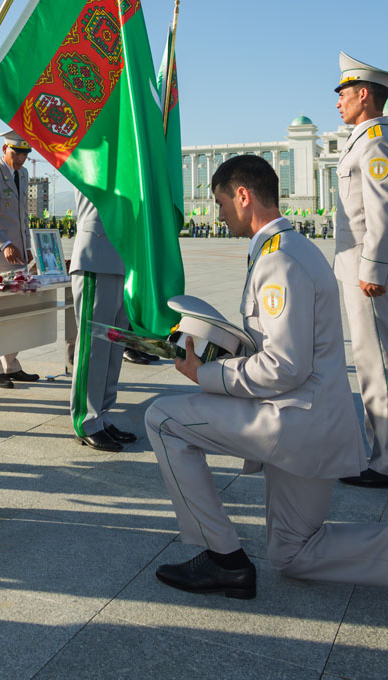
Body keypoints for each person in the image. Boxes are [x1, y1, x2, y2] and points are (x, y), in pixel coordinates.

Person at [146, 154, 388, 599]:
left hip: (293, 420)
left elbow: (284, 366)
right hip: (313, 422)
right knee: (296, 553)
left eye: (220, 203)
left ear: (243, 196)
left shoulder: (280, 260)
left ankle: (223, 559)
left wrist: (206, 373)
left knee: (162, 418)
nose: (217, 214)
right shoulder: (288, 248)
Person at [333, 52, 388, 488]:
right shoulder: (360, 138)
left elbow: (381, 212)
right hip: (355, 265)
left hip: (367, 271)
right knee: (370, 360)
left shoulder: (374, 141)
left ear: (364, 94)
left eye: (344, 94)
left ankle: (385, 462)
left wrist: (373, 269)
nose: (338, 103)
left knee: (376, 362)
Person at [70, 190, 137, 452]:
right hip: (96, 255)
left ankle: (102, 415)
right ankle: (86, 422)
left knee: (113, 348)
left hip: (122, 257)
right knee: (94, 347)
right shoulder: (93, 150)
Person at [0, 131, 40, 388]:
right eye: (17, 153)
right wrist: (4, 245)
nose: (22, 159)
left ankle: (11, 365)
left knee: (15, 314)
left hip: (19, 256)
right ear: (5, 149)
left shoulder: (22, 175)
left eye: (25, 154)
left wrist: (28, 246)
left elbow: (23, 214)